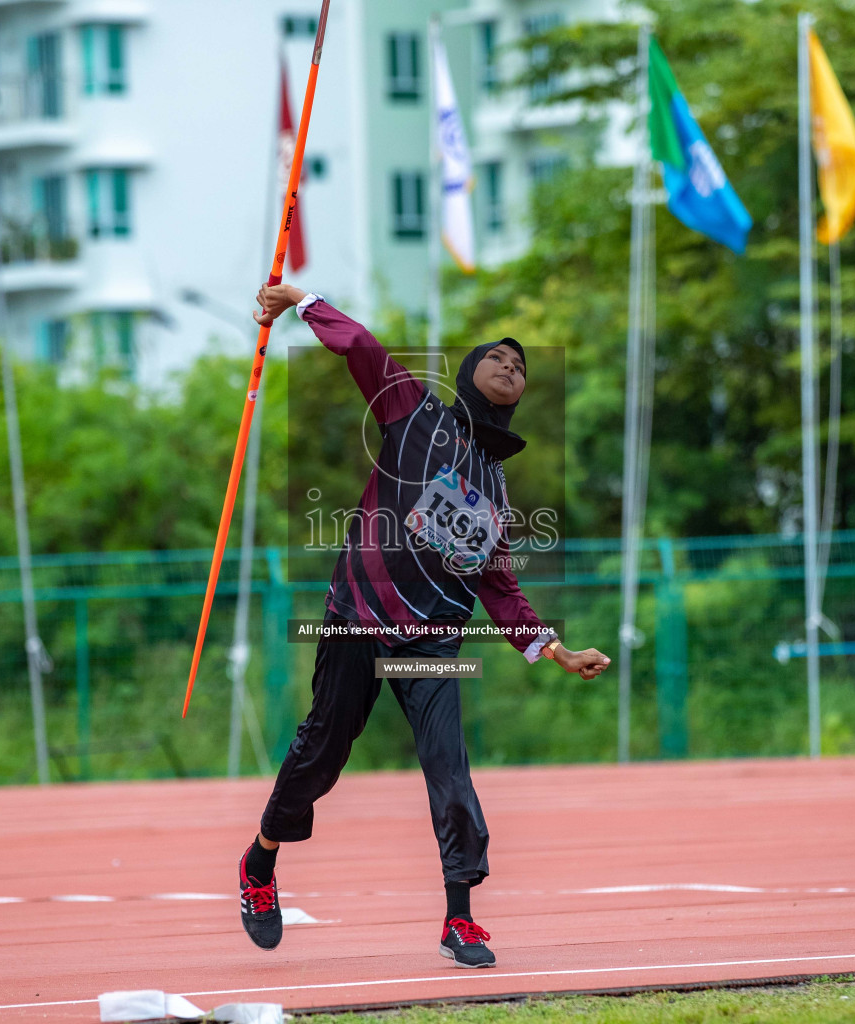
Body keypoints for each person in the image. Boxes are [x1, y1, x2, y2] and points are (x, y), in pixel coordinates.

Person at [237, 284, 611, 969]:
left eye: (521, 367)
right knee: (322, 751)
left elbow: (497, 585)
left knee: (451, 772)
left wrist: (555, 651)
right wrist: (300, 299)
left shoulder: (496, 491)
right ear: (468, 372)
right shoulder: (416, 413)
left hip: (434, 637)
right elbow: (365, 349)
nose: (511, 365)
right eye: (498, 356)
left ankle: (460, 920)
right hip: (358, 618)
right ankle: (260, 863)